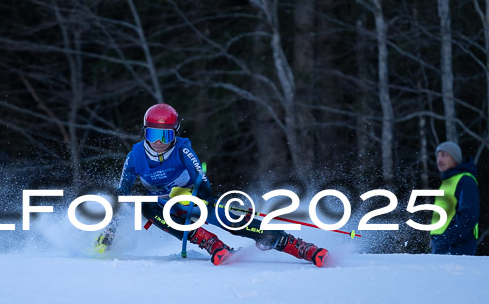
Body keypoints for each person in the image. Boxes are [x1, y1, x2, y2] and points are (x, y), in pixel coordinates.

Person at [95, 103, 329, 267]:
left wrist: (202, 195)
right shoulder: (134, 156)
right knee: (142, 203)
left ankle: (296, 245)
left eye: (165, 136)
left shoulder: (182, 149)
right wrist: (110, 230)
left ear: (175, 135)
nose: (158, 142)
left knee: (230, 218)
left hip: (189, 197)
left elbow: (201, 177)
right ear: (144, 132)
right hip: (160, 205)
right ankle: (209, 242)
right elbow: (121, 196)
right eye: (153, 134)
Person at [430, 141, 480, 255]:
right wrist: (435, 239)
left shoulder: (465, 180)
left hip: (458, 246)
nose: (439, 160)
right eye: (438, 155)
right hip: (441, 244)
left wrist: (447, 238)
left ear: (455, 158)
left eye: (444, 155)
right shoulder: (447, 181)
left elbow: (469, 215)